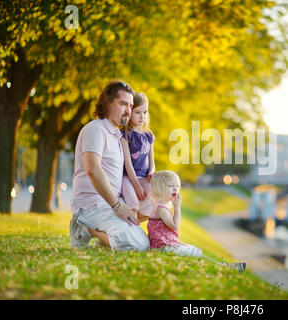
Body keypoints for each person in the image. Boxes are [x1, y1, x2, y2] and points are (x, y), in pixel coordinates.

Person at [69, 80, 149, 251]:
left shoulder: (117, 135)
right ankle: (85, 225)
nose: (128, 110)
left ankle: (106, 231)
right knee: (137, 245)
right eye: (123, 104)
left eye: (130, 105)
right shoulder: (95, 129)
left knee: (154, 204)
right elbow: (93, 169)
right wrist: (117, 206)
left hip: (111, 202)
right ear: (107, 103)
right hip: (92, 204)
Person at [147, 170, 246, 272]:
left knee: (195, 251)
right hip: (163, 247)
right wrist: (177, 207)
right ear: (160, 189)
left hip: (166, 245)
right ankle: (224, 267)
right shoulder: (161, 209)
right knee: (194, 252)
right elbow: (175, 226)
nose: (175, 189)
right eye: (171, 186)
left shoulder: (161, 206)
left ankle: (223, 266)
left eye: (177, 186)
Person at [120, 92, 155, 220]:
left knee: (157, 200)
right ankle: (129, 228)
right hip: (128, 178)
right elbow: (127, 163)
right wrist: (136, 185)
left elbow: (152, 161)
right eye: (137, 112)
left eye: (145, 112)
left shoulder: (148, 136)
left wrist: (151, 173)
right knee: (133, 203)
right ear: (129, 113)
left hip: (144, 177)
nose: (142, 116)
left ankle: (137, 224)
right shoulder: (126, 134)